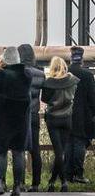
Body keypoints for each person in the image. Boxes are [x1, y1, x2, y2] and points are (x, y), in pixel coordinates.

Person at [0, 47, 31, 196]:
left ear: (5, 60)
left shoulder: (2, 74)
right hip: (21, 120)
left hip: (2, 119)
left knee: (1, 152)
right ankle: (16, 187)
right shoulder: (27, 75)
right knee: (18, 152)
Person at [41, 56, 79, 191]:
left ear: (52, 67)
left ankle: (62, 182)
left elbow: (44, 99)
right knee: (61, 151)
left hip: (53, 119)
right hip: (67, 118)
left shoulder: (49, 82)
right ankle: (53, 181)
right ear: (64, 66)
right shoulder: (73, 80)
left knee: (58, 152)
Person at [17, 44, 44, 192]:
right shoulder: (40, 74)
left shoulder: (18, 73)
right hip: (34, 115)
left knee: (19, 149)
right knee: (35, 150)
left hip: (19, 115)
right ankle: (36, 184)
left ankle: (20, 182)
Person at [67, 46, 95, 183]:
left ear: (71, 58)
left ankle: (67, 175)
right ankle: (78, 174)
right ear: (82, 59)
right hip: (82, 115)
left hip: (65, 114)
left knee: (67, 144)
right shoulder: (88, 75)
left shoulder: (65, 72)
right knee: (79, 143)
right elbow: (92, 98)